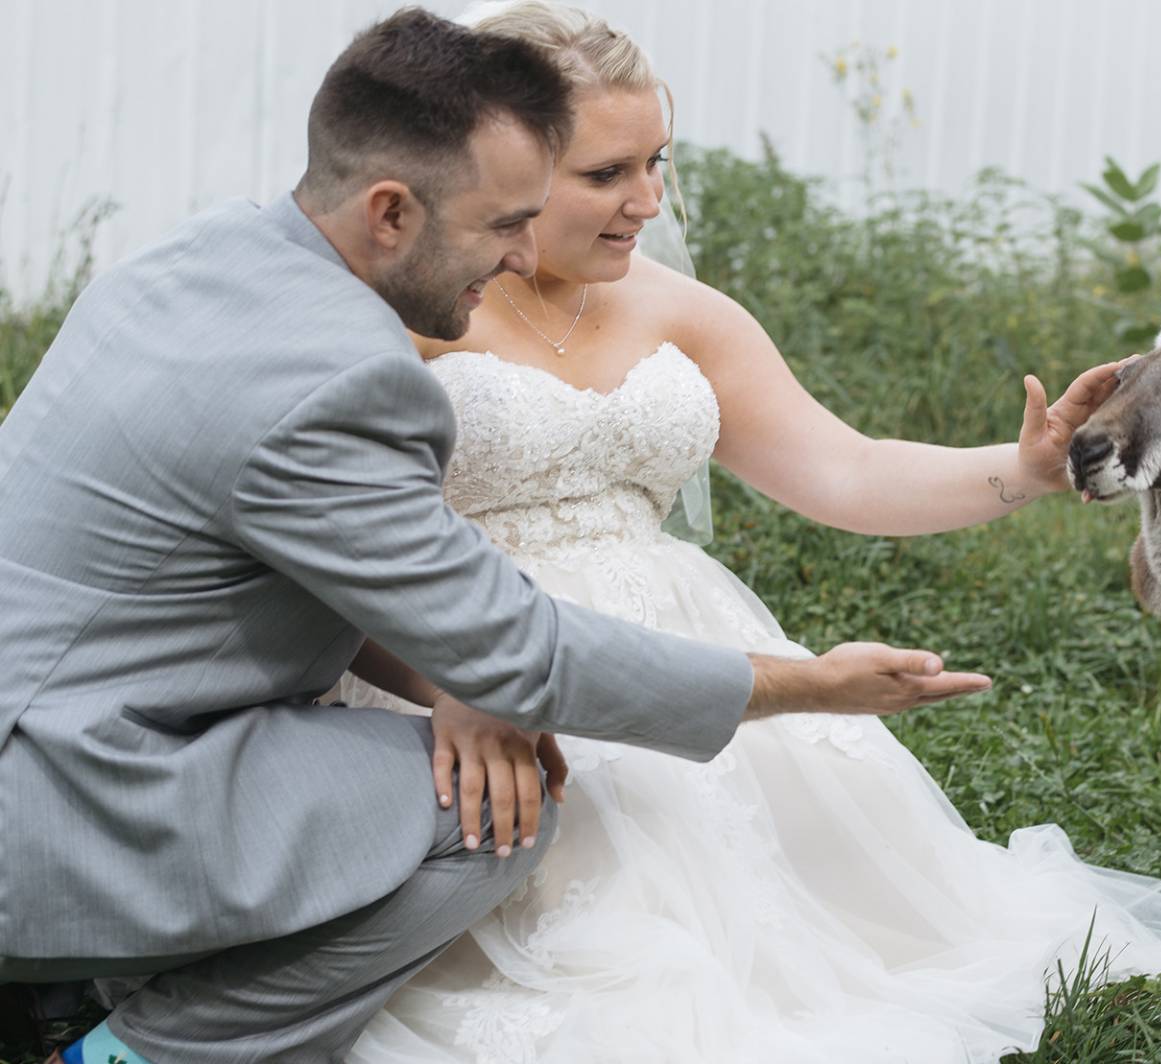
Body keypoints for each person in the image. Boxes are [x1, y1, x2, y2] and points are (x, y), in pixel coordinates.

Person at [0, 11, 990, 1064]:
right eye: (500, 225)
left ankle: (53, 987)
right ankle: (135, 1049)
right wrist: (810, 686)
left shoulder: (203, 255)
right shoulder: (338, 376)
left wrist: (454, 671)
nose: (524, 254)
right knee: (492, 805)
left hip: (63, 709)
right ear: (390, 211)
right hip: (67, 797)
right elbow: (527, 650)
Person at [340, 5, 1161, 1061]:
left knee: (856, 932)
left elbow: (843, 465)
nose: (648, 202)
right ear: (507, 161)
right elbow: (333, 539)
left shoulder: (680, 309)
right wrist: (453, 683)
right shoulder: (405, 306)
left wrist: (1019, 469)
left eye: (658, 161)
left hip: (676, 631)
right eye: (607, 174)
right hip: (462, 652)